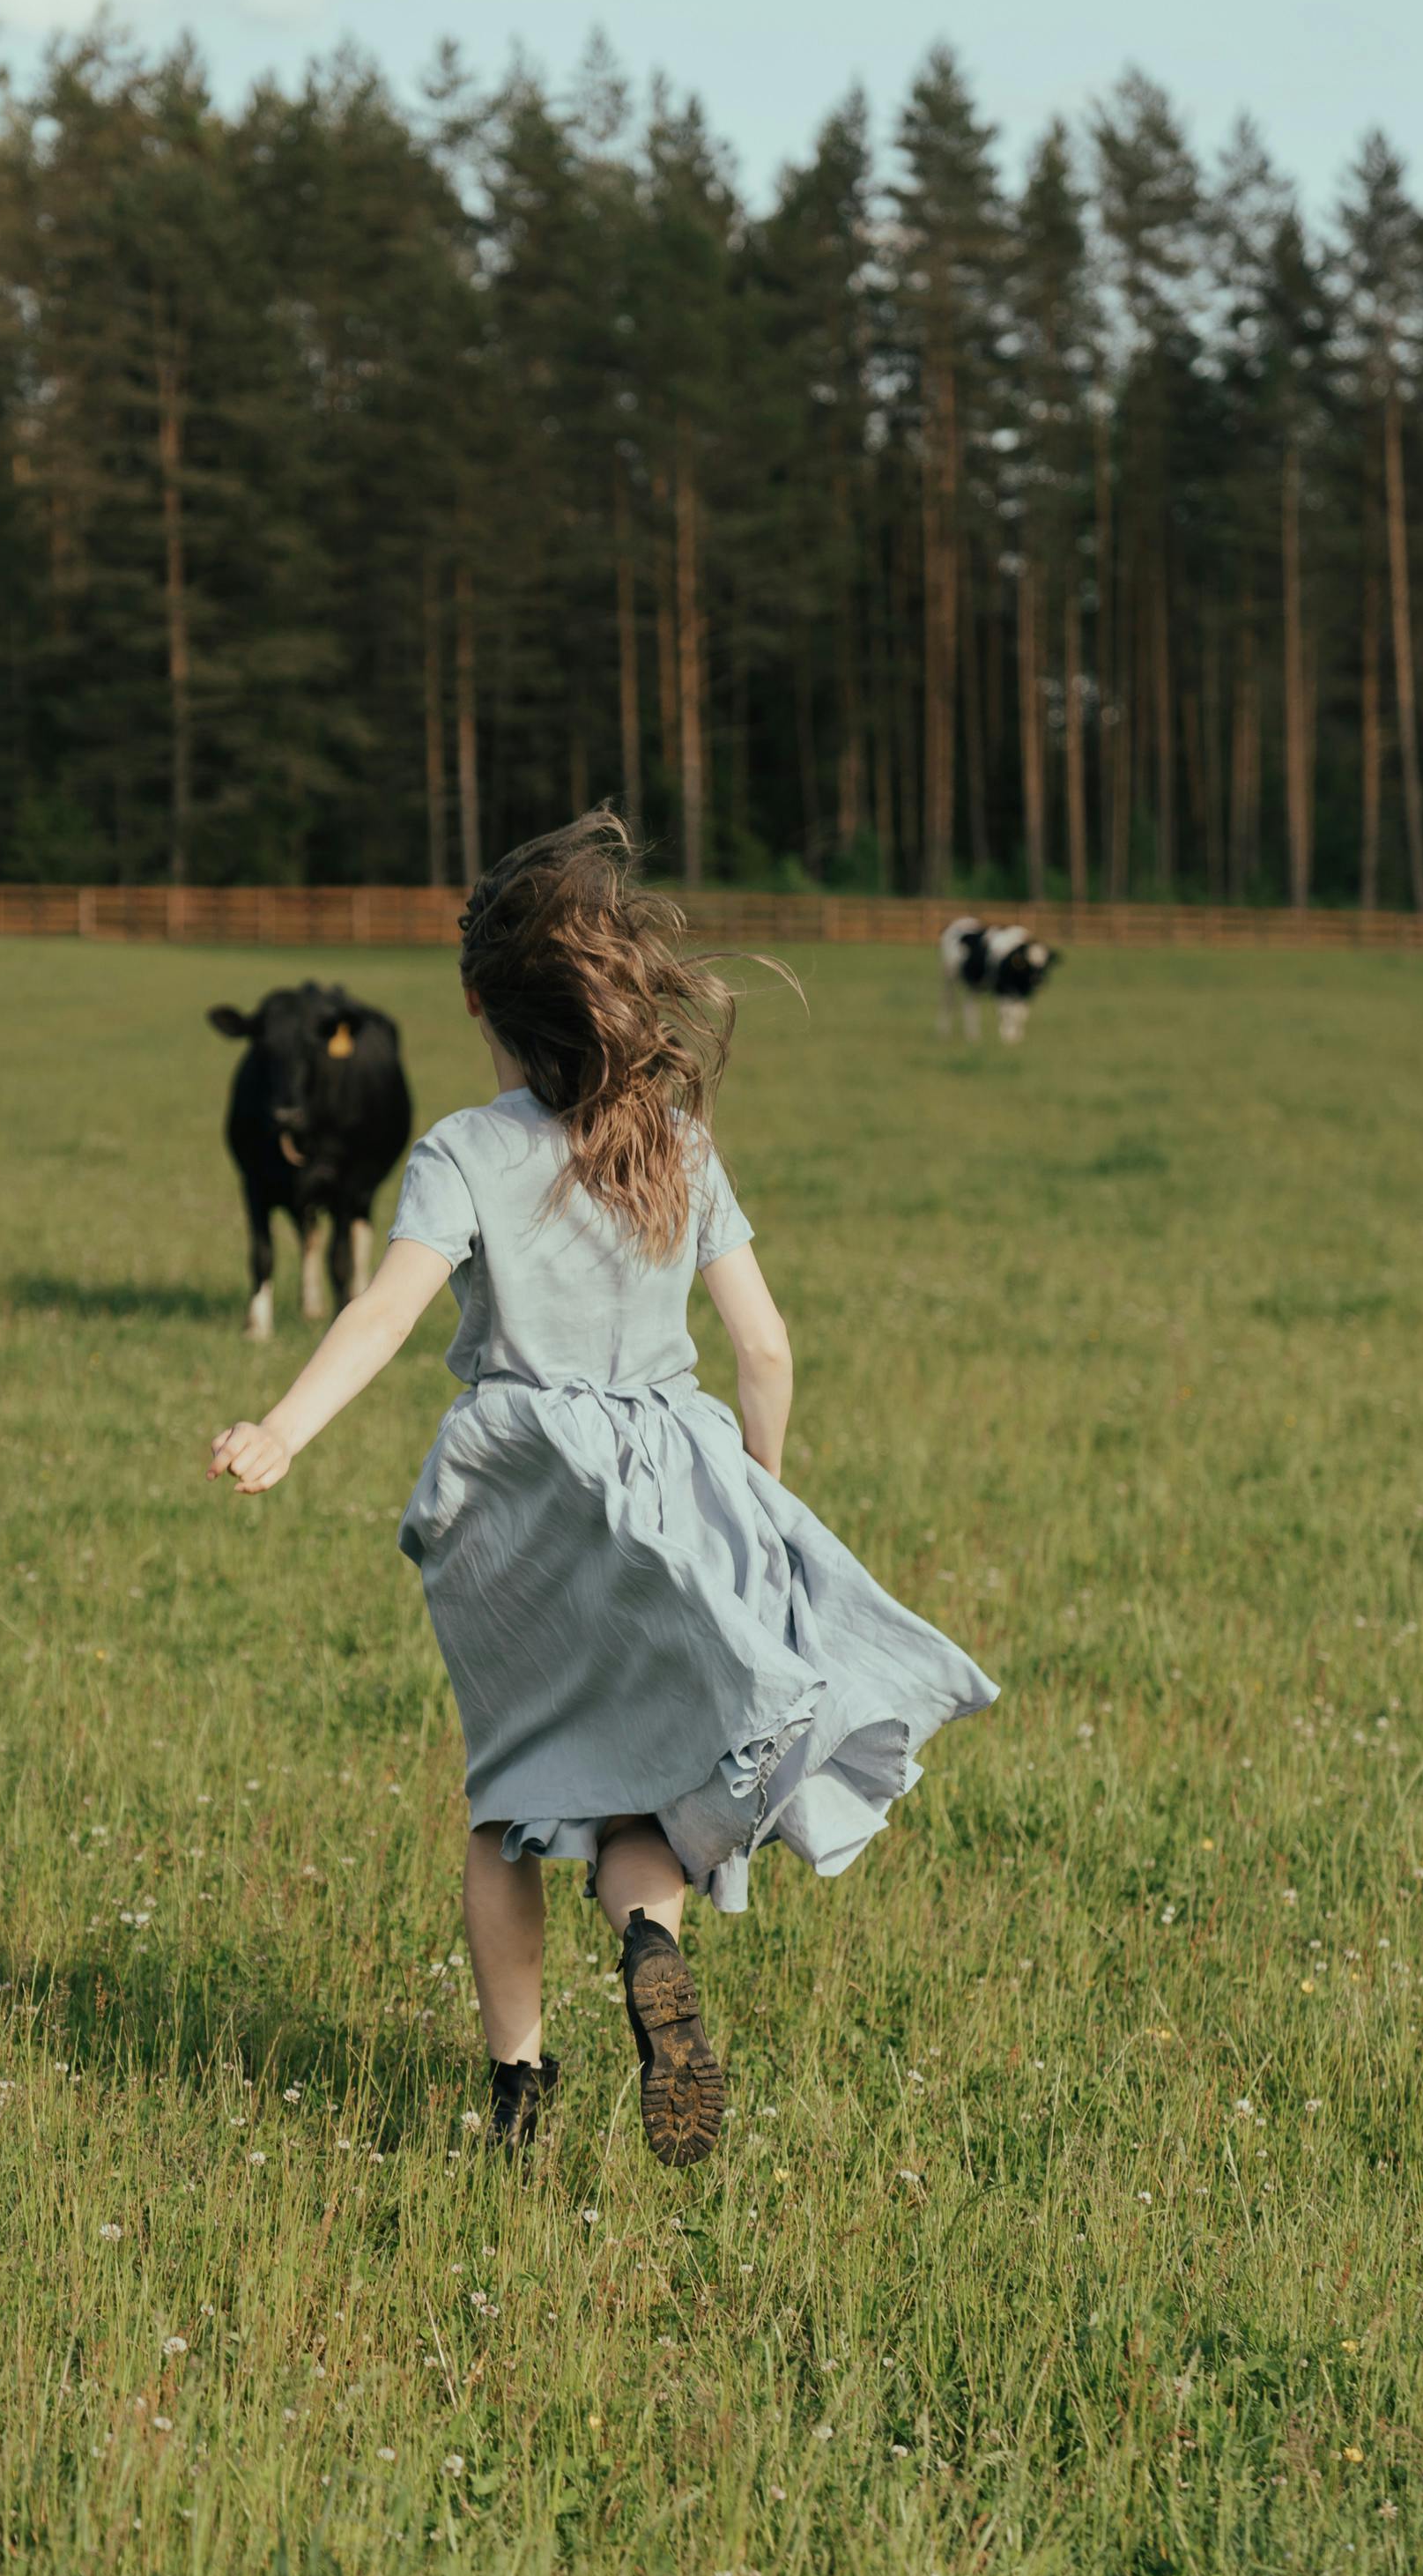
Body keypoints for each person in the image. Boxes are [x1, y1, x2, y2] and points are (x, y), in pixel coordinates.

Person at [209, 813, 997, 2167]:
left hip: (516, 1495)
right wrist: (756, 1486)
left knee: (511, 1799)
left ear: (477, 1002)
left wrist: (285, 1424)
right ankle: (645, 1938)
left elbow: (385, 1312)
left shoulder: (463, 1148)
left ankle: (517, 2092)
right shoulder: (678, 1145)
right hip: (668, 1482)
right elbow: (764, 1345)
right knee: (640, 1795)